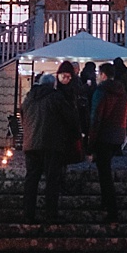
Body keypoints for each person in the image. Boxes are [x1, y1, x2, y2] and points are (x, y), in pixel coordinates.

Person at [18, 73, 76, 223]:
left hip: (31, 143)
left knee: (31, 180)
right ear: (52, 85)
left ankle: (28, 214)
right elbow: (69, 118)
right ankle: (51, 214)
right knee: (52, 180)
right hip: (52, 144)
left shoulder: (28, 98)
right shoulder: (56, 97)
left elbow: (23, 118)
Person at [88, 62, 127, 222]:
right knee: (105, 168)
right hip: (118, 134)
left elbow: (96, 117)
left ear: (103, 75)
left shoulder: (101, 91)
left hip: (104, 134)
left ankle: (111, 207)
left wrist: (90, 141)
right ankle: (105, 202)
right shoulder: (123, 92)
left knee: (104, 172)